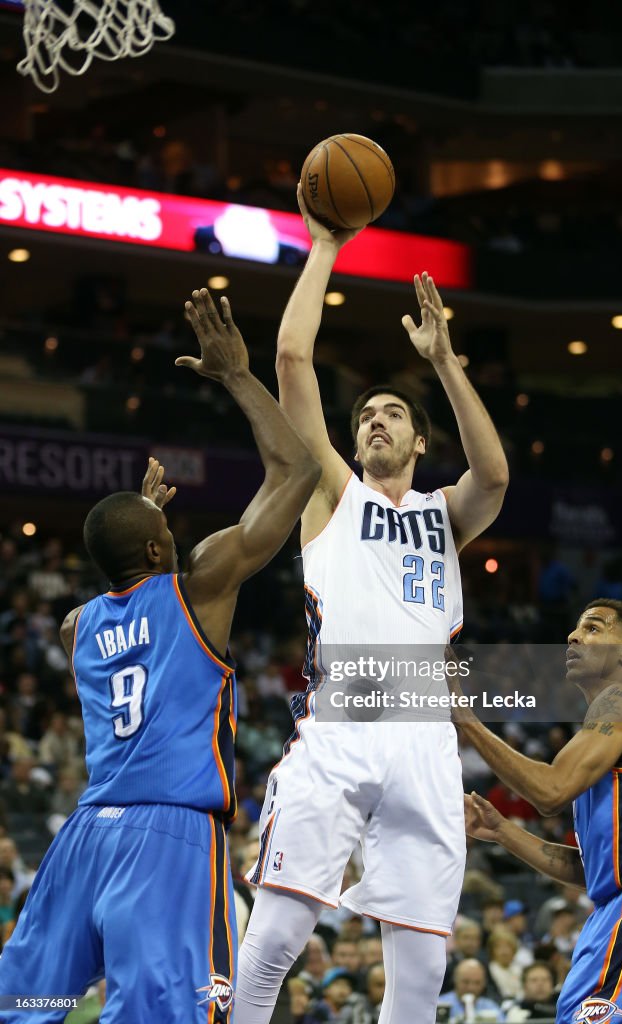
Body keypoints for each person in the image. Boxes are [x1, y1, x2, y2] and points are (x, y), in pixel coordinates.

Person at [0, 288, 320, 1023]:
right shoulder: (199, 584)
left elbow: (123, 588)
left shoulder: (75, 627)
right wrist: (237, 374)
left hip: (84, 835)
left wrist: (143, 529)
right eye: (161, 535)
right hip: (167, 834)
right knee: (161, 1012)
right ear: (157, 547)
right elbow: (296, 475)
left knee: (31, 999)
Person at [234, 186, 509, 1024]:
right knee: (279, 932)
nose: (376, 421)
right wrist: (323, 246)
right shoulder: (331, 495)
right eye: (366, 417)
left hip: (426, 742)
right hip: (344, 728)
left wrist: (442, 361)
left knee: (421, 971)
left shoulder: (442, 513)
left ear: (420, 442)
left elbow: (494, 476)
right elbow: (289, 363)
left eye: (393, 414)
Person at [460, 599, 622, 1024]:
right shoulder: (609, 736)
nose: (574, 636)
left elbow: (550, 791)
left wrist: (466, 720)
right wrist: (503, 830)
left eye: (594, 628)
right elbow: (589, 872)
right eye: (577, 629)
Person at [437, 959, 503, 1022]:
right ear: (455, 980)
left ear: (484, 984)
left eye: (477, 983)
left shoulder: (491, 1008)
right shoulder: (439, 1005)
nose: (471, 988)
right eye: (466, 982)